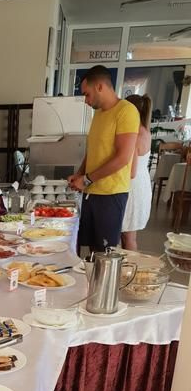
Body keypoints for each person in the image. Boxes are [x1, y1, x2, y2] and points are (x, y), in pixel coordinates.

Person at [68, 65, 140, 252]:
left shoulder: (126, 111)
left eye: (87, 94)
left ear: (100, 86)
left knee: (105, 252)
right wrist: (79, 174)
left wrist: (87, 179)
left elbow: (123, 157)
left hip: (111, 194)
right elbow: (93, 150)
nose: (86, 100)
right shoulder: (99, 114)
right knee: (91, 249)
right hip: (92, 192)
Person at [121, 94, 153, 250]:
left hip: (132, 188)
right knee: (129, 235)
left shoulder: (134, 135)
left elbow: (130, 171)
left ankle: (129, 265)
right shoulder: (145, 130)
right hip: (142, 184)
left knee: (128, 236)